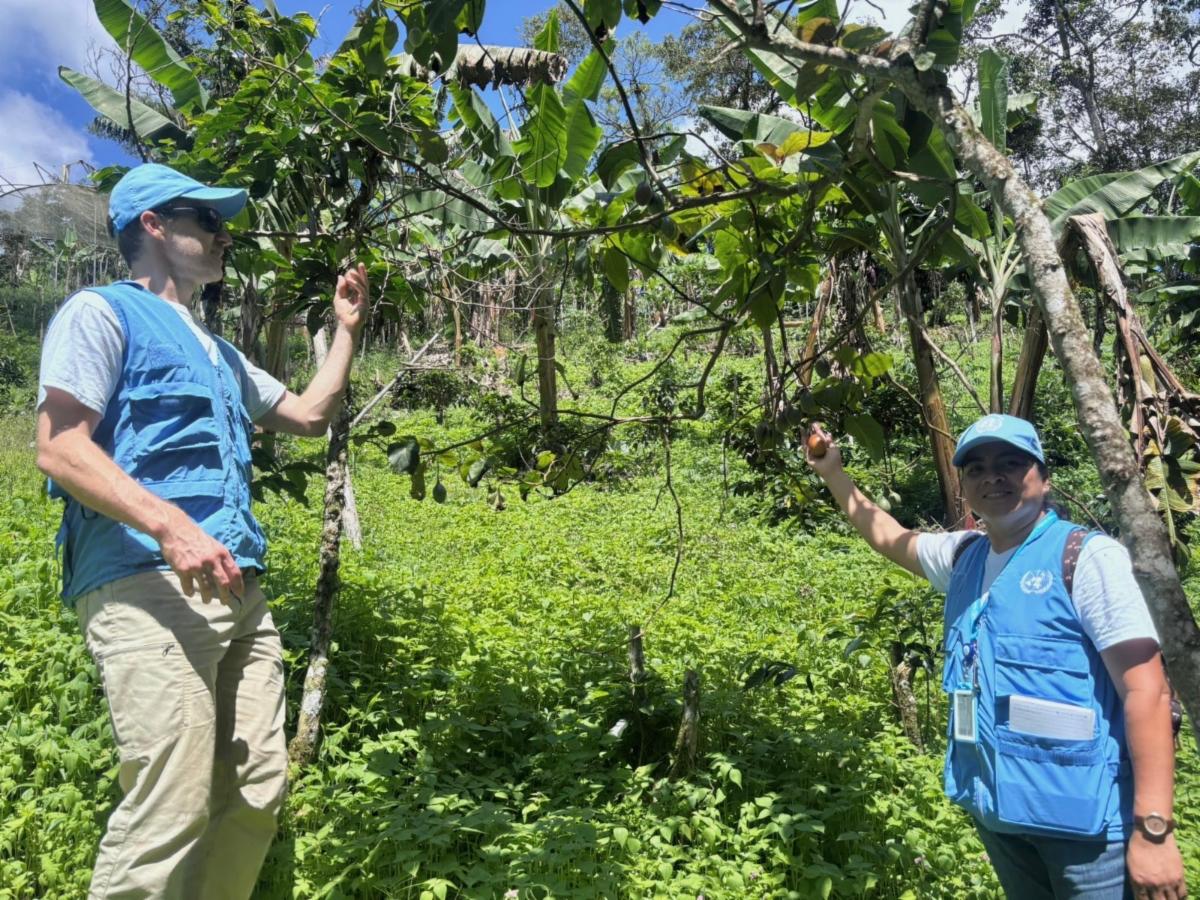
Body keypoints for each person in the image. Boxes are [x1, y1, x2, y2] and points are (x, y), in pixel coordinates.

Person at [35, 163, 369, 898]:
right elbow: (59, 446)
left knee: (255, 789)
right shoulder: (101, 313)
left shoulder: (218, 352)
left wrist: (345, 330)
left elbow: (310, 416)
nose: (224, 236)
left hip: (238, 588)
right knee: (171, 804)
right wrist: (170, 526)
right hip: (146, 582)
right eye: (207, 221)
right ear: (154, 225)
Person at [805, 413, 1186, 900]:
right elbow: (886, 535)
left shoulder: (1085, 558)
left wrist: (1154, 831)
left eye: (1011, 463)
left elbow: (1146, 691)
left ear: (1044, 479)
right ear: (964, 485)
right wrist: (833, 472)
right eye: (977, 468)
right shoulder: (965, 556)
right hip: (1000, 818)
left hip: (1089, 835)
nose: (993, 477)